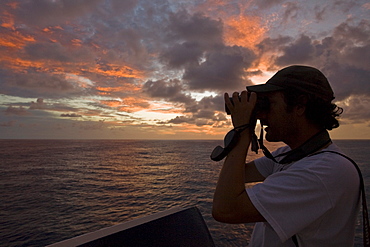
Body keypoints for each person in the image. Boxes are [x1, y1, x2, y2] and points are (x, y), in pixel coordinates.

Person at [212, 65, 361, 246]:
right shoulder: (291, 155)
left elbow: (226, 209)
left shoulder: (324, 171)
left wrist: (242, 132)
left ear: (299, 105)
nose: (262, 115)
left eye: (269, 103)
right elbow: (238, 176)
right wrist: (245, 126)